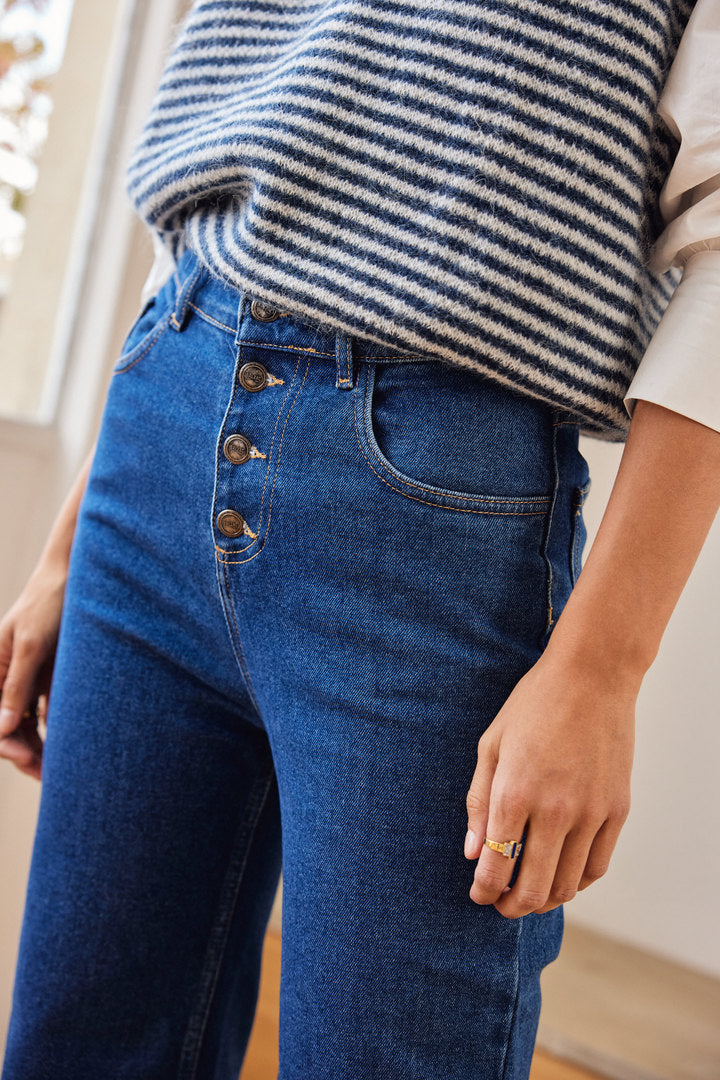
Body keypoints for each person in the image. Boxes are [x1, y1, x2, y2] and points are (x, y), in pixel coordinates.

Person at [1, 0, 718, 1077]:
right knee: (78, 1052)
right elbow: (238, 133)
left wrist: (604, 666)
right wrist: (75, 536)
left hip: (430, 511)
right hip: (162, 417)